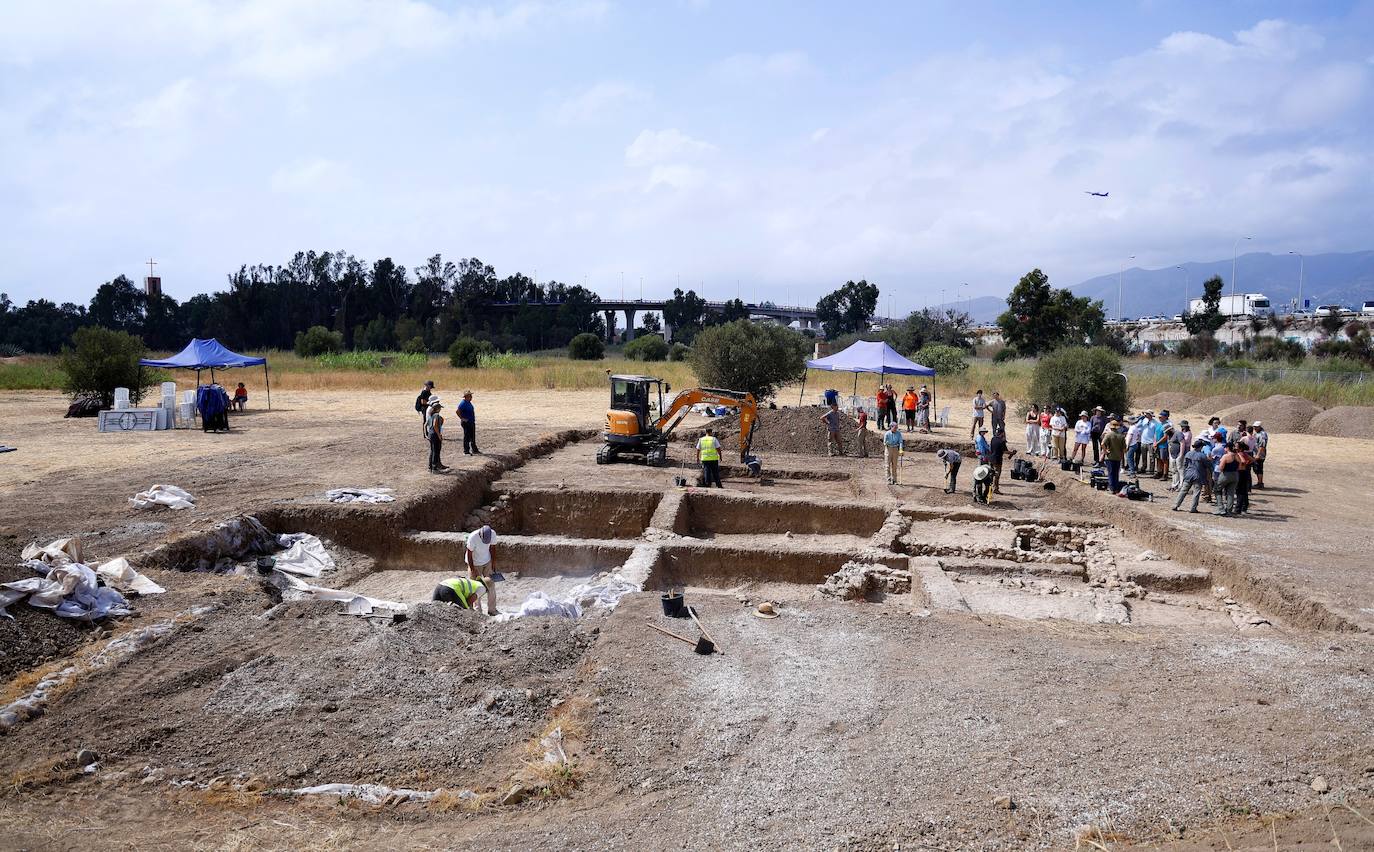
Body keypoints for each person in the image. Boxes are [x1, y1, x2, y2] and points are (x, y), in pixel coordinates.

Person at [465, 524, 500, 615]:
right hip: (474, 563)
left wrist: (493, 563)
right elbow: (469, 554)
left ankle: (492, 610)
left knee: (491, 585)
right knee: (476, 586)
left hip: (487, 561)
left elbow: (493, 548)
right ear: (480, 535)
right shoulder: (473, 537)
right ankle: (478, 611)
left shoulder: (492, 534)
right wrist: (472, 569)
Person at [1172, 439, 1209, 513]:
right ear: (1200, 447)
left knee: (1183, 491)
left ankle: (1175, 505)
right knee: (1196, 492)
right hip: (1198, 475)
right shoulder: (1202, 455)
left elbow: (1185, 464)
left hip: (1188, 474)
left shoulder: (1188, 454)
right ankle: (1193, 508)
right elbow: (1208, 465)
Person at [1215, 441, 1240, 516]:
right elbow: (1239, 465)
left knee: (1217, 490)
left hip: (1226, 475)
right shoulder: (1236, 455)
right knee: (1230, 493)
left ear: (1227, 448)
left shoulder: (1225, 456)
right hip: (1235, 475)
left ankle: (1221, 508)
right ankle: (1229, 511)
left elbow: (1221, 468)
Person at [1102, 419, 1126, 494]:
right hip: (1118, 457)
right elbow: (1125, 449)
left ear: (1111, 427)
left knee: (1111, 473)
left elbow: (1102, 444)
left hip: (1110, 457)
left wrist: (1105, 451)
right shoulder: (1121, 436)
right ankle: (1116, 488)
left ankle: (1112, 488)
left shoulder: (1108, 435)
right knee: (1116, 473)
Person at [426, 401, 448, 473]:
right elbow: (435, 425)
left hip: (431, 434)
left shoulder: (430, 415)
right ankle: (435, 469)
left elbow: (425, 425)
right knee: (436, 451)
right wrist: (439, 435)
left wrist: (426, 434)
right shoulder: (436, 415)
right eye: (440, 408)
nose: (440, 409)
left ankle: (430, 467)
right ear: (437, 408)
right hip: (435, 435)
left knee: (432, 451)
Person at [989, 426, 1012, 494]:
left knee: (991, 474)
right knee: (997, 474)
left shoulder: (993, 438)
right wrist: (1012, 453)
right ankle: (995, 488)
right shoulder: (1001, 441)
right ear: (1002, 433)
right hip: (997, 460)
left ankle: (989, 487)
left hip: (991, 458)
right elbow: (1005, 451)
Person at [457, 390, 480, 455]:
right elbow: (457, 411)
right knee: (466, 437)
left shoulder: (468, 402)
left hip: (471, 422)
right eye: (470, 396)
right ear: (466, 396)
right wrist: (462, 418)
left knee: (472, 436)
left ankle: (474, 449)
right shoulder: (463, 403)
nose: (471, 397)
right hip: (466, 423)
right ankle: (466, 451)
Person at [1252, 423, 1268, 489]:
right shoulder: (1257, 433)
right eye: (1254, 427)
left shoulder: (1262, 434)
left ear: (1259, 427)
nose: (1254, 428)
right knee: (1256, 468)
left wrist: (1258, 455)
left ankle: (1260, 483)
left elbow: (1262, 446)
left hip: (1259, 455)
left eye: (1256, 427)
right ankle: (1259, 482)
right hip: (1256, 453)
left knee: (1258, 468)